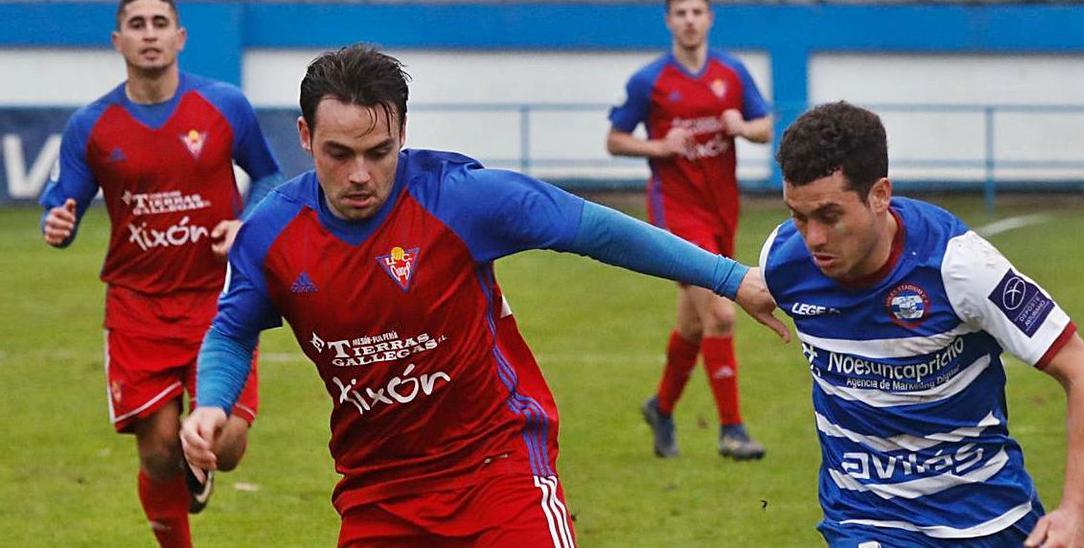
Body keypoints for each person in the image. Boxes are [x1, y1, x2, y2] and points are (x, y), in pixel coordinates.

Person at [179, 44, 786, 547]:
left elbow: (595, 229)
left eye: (378, 152)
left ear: (403, 133)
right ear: (306, 137)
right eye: (340, 154)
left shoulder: (459, 199)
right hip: (377, 492)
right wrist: (211, 403)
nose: (360, 174)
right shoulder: (271, 235)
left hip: (496, 470)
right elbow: (233, 330)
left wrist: (732, 279)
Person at [760, 102, 1084, 547]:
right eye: (798, 215)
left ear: (880, 195)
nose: (813, 238)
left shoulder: (960, 266)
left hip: (989, 520)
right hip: (866, 520)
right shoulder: (784, 260)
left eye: (830, 216)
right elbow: (757, 283)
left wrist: (1076, 514)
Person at [38, 0, 283, 546]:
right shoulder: (93, 125)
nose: (149, 35)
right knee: (159, 449)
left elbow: (269, 176)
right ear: (117, 40)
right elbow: (61, 199)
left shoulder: (224, 106)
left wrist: (245, 223)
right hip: (137, 306)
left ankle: (202, 469)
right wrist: (57, 220)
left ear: (180, 37)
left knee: (228, 447)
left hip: (217, 301)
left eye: (159, 24)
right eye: (136, 25)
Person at [606, 0, 774, 460]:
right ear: (668, 21)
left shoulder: (732, 73)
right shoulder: (650, 81)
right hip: (675, 211)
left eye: (697, 11)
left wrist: (744, 126)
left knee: (694, 322)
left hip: (722, 208)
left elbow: (765, 127)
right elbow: (615, 139)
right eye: (681, 13)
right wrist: (659, 144)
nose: (690, 20)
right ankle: (732, 430)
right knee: (722, 312)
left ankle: (661, 408)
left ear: (710, 18)